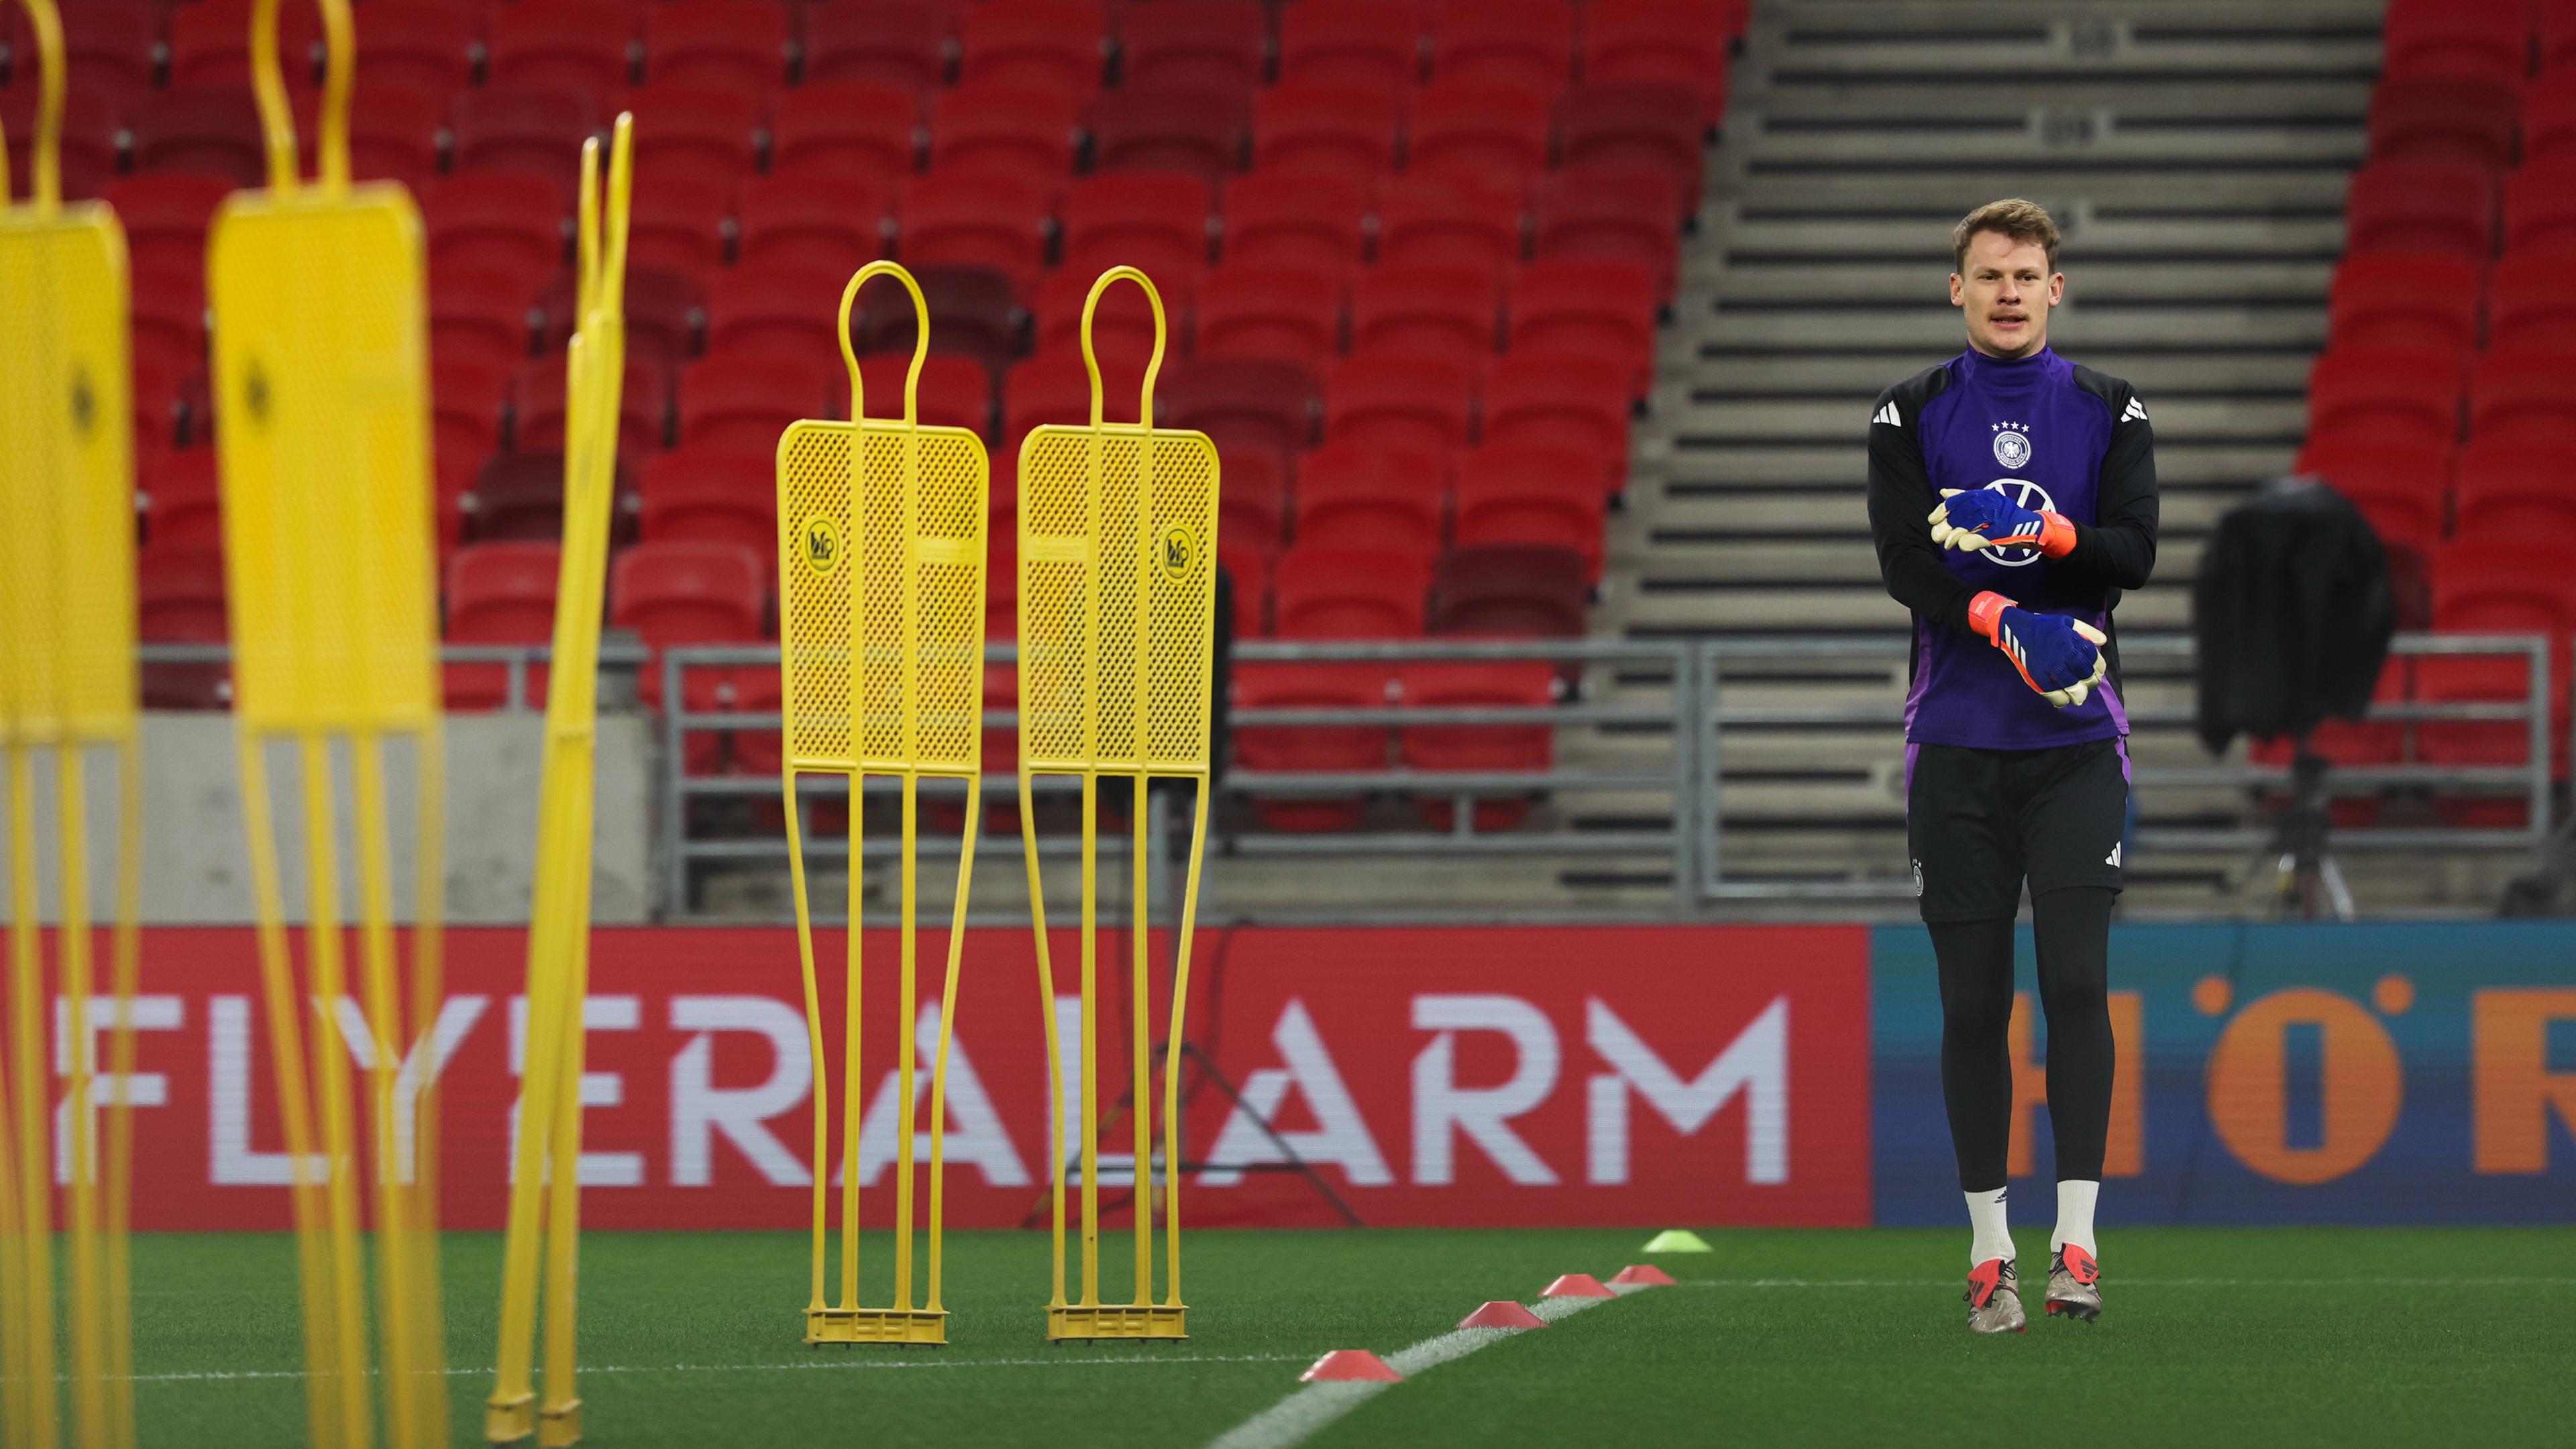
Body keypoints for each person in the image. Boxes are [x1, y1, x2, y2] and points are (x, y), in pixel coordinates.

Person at [1865, 199, 2158, 1333]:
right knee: (1974, 1003)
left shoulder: (2107, 405)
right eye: (1988, 275)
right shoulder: (1908, 411)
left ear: (2055, 289)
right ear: (1958, 290)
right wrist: (1998, 611)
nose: (2007, 292)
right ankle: (1989, 1250)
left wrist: (2052, 539)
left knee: (2076, 981)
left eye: (2026, 275)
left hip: (2078, 745)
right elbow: (1904, 563)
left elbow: (2137, 546)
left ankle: (2075, 1243)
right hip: (1957, 748)